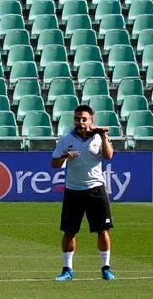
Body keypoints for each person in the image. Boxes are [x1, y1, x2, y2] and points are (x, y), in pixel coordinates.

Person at [52, 104, 116, 281]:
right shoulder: (66, 139)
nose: (80, 122)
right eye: (77, 118)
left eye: (83, 119)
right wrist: (66, 156)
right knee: (69, 231)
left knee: (103, 230)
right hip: (74, 190)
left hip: (96, 188)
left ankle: (105, 268)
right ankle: (67, 270)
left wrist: (103, 137)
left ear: (91, 120)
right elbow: (54, 164)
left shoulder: (98, 137)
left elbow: (109, 156)